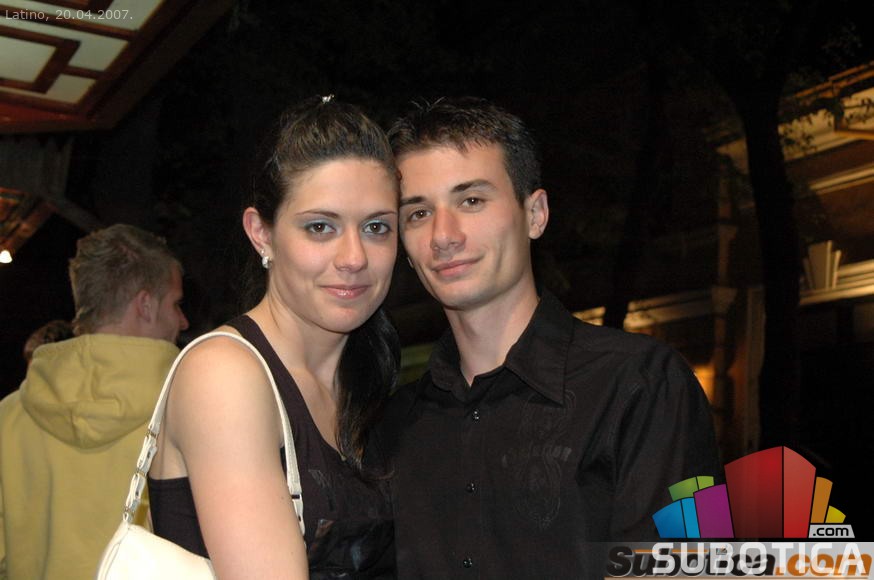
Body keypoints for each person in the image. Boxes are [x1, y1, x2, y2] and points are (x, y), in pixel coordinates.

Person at [378, 97, 722, 578]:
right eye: (417, 213)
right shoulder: (395, 425)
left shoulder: (642, 384)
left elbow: (694, 568)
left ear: (535, 213)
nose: (443, 234)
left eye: (471, 200)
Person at [147, 97, 399, 579]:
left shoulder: (361, 381)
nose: (354, 257)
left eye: (376, 227)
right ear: (261, 234)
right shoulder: (225, 375)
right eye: (320, 227)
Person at [0, 224, 189, 580]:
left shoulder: (8, 416)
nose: (183, 320)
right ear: (145, 304)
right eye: (176, 303)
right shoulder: (192, 408)